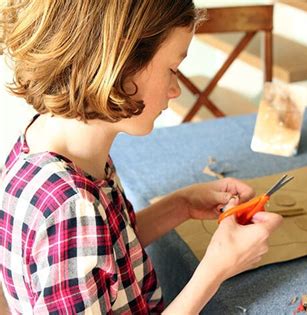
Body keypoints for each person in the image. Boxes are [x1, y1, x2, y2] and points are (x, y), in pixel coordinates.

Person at [0, 1, 283, 313]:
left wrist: (180, 205)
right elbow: (83, 234)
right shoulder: (69, 208)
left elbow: (108, 252)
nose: (176, 90)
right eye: (172, 70)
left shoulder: (58, 145)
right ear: (120, 65)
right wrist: (214, 271)